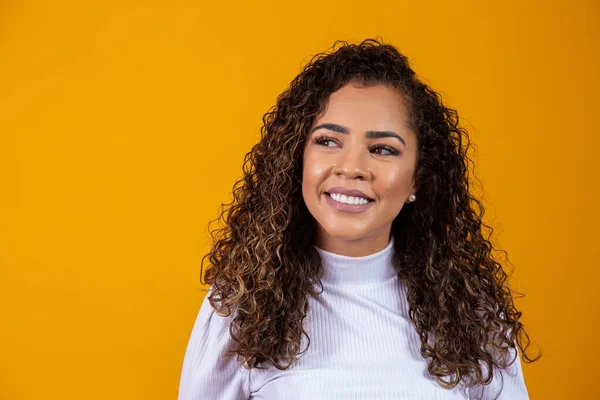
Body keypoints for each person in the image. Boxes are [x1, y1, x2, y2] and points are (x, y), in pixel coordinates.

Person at [178, 38, 540, 399]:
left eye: (382, 149)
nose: (351, 168)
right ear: (296, 158)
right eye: (328, 141)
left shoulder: (470, 316)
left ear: (417, 177)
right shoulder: (240, 310)